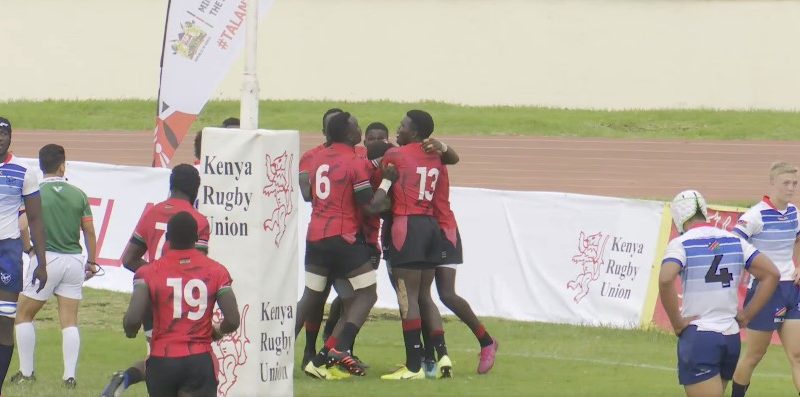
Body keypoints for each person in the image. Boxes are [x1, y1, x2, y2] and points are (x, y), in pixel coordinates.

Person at [102, 164, 210, 397]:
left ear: (170, 186)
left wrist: (156, 275)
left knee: (160, 358)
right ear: (196, 190)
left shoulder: (152, 213)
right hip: (183, 299)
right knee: (187, 361)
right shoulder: (198, 220)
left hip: (152, 299)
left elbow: (129, 259)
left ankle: (126, 377)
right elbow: (196, 267)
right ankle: (129, 376)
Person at [300, 112, 393, 379]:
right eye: (356, 127)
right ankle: (338, 349)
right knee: (367, 293)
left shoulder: (315, 158)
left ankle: (293, 358)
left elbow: (308, 194)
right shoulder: (353, 162)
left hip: (315, 237)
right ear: (348, 134)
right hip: (343, 238)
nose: (360, 130)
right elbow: (372, 205)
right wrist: (387, 181)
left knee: (310, 299)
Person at [660, 190, 778, 397]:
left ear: (678, 217)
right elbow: (771, 274)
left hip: (700, 336)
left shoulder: (681, 243)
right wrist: (747, 315)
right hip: (731, 337)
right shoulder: (734, 240)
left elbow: (665, 278)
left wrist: (677, 323)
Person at [9, 144, 98, 389]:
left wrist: (29, 249)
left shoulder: (35, 193)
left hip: (46, 260)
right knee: (69, 320)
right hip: (73, 261)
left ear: (40, 166)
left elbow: (23, 225)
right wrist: (91, 262)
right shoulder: (78, 194)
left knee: (24, 315)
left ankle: (26, 373)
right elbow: (89, 230)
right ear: (62, 165)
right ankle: (69, 376)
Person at [123, 212, 239, 397]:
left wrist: (130, 331)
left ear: (168, 238)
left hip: (163, 360)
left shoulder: (148, 273)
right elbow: (233, 320)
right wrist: (216, 331)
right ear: (196, 239)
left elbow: (133, 319)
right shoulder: (217, 271)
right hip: (199, 360)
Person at [379, 110, 446, 380]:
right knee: (424, 296)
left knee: (406, 296)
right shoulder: (436, 155)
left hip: (406, 226)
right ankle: (435, 360)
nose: (398, 129)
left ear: (415, 132)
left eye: (403, 126)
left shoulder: (395, 156)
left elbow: (381, 189)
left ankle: (414, 365)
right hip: (430, 226)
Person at [731, 162, 800, 396]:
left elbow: (798, 239)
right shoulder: (755, 215)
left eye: (795, 183)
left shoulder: (794, 212)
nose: (791, 188)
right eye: (786, 183)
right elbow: (734, 242)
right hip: (765, 290)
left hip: (792, 289)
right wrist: (754, 268)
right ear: (773, 183)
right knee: (754, 355)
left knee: (797, 355)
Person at [0, 117, 47, 396]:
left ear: (11, 137)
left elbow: (36, 219)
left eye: (4, 133)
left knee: (5, 321)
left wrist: (41, 262)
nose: (0, 138)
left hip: (7, 251)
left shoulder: (24, 172)